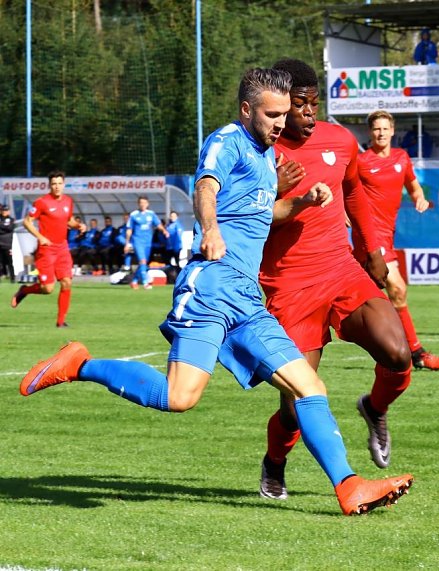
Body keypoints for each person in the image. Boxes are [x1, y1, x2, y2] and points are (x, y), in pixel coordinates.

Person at [18, 67, 412, 516]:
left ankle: (350, 486)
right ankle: (80, 365)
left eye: (285, 113)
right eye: (272, 114)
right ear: (247, 110)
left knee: (308, 386)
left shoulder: (267, 156)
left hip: (246, 296)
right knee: (179, 397)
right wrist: (210, 229)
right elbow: (206, 187)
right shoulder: (226, 141)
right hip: (210, 287)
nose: (281, 122)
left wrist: (300, 202)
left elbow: (263, 210)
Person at [256, 59, 417, 501]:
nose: (309, 113)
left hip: (341, 270)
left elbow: (354, 194)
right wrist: (274, 192)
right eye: (299, 105)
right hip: (287, 287)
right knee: (295, 404)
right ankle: (274, 461)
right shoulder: (255, 152)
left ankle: (375, 407)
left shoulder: (340, 140)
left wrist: (373, 253)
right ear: (277, 107)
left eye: (314, 103)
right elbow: (243, 222)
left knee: (398, 351)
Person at [355, 109, 439, 371]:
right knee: (397, 288)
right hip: (369, 234)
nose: (381, 133)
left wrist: (419, 197)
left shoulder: (402, 158)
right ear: (370, 132)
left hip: (387, 233)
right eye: (376, 129)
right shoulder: (361, 161)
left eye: (385, 128)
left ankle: (394, 348)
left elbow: (413, 185)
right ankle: (417, 353)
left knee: (362, 296)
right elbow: (344, 189)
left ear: (393, 131)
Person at [10, 171, 86, 327]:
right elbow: (27, 222)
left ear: (64, 184)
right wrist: (40, 237)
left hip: (63, 248)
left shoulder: (68, 201)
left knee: (66, 283)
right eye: (54, 184)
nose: (57, 187)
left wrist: (79, 225)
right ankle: (25, 290)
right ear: (49, 185)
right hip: (47, 250)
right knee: (48, 288)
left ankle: (60, 322)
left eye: (59, 183)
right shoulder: (42, 202)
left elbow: (68, 220)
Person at [125, 196, 169, 289]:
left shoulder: (151, 214)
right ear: (138, 204)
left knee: (143, 263)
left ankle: (134, 281)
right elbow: (129, 229)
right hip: (137, 241)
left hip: (148, 242)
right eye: (141, 202)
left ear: (147, 204)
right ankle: (145, 283)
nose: (143, 204)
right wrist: (127, 243)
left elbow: (158, 224)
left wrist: (164, 231)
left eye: (144, 202)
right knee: (143, 261)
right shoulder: (134, 215)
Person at [0, 203, 14, 282]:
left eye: (6, 210)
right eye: (3, 210)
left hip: (7, 244)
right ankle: (2, 276)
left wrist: (1, 226)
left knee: (9, 262)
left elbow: (10, 228)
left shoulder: (11, 219)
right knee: (0, 262)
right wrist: (4, 227)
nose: (4, 212)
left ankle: (12, 278)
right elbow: (6, 228)